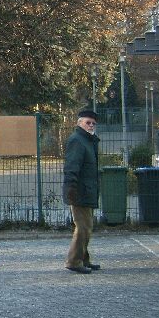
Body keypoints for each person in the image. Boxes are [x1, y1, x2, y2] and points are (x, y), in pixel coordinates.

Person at [62, 109, 101, 274]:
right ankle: (74, 261)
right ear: (79, 123)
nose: (91, 125)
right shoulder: (78, 141)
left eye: (93, 123)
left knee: (87, 226)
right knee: (83, 227)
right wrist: (71, 187)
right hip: (79, 191)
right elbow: (71, 166)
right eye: (88, 122)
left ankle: (83, 259)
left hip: (86, 190)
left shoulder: (87, 141)